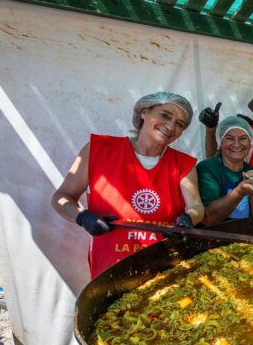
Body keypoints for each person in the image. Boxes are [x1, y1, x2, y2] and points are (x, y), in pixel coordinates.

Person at [51, 92, 204, 278]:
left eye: (180, 124)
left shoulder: (183, 164)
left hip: (163, 265)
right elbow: (62, 197)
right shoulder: (99, 149)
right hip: (110, 267)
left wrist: (188, 219)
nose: (171, 126)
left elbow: (196, 207)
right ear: (144, 112)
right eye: (165, 115)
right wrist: (82, 217)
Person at [197, 115, 253, 225]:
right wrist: (239, 192)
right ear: (220, 142)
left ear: (250, 143)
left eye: (242, 138)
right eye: (229, 138)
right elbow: (208, 219)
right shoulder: (207, 168)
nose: (237, 144)